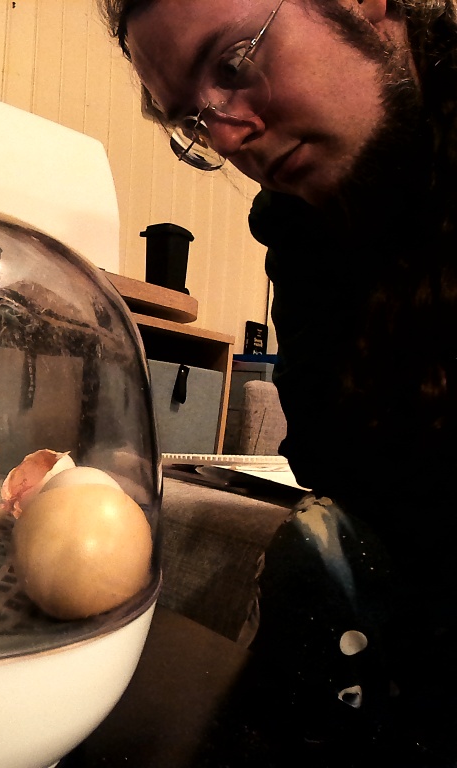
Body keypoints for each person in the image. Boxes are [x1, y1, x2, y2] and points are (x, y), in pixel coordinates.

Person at [99, 0, 457, 764]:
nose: (229, 137)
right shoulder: (302, 229)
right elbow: (334, 456)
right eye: (194, 121)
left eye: (234, 64)